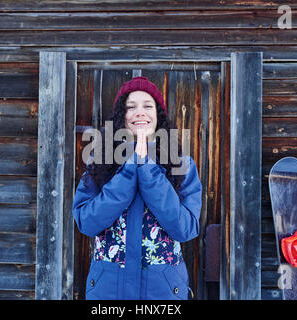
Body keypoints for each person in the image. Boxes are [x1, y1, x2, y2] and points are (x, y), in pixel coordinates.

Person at [73, 76, 202, 300]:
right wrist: (130, 169)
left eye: (148, 106)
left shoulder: (182, 164)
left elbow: (185, 228)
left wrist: (148, 170)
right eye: (130, 107)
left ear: (158, 115)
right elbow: (86, 222)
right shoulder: (100, 162)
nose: (140, 112)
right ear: (121, 117)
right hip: (108, 292)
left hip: (162, 293)